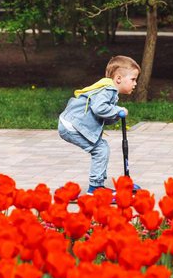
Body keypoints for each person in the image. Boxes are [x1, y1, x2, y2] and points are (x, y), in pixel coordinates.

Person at [58, 55, 140, 194]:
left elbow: (102, 115)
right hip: (72, 125)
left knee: (102, 148)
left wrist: (114, 115)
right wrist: (118, 110)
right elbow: (99, 108)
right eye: (133, 79)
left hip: (71, 124)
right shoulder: (108, 90)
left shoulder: (109, 90)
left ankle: (98, 185)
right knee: (101, 149)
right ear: (118, 78)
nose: (135, 83)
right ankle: (95, 187)